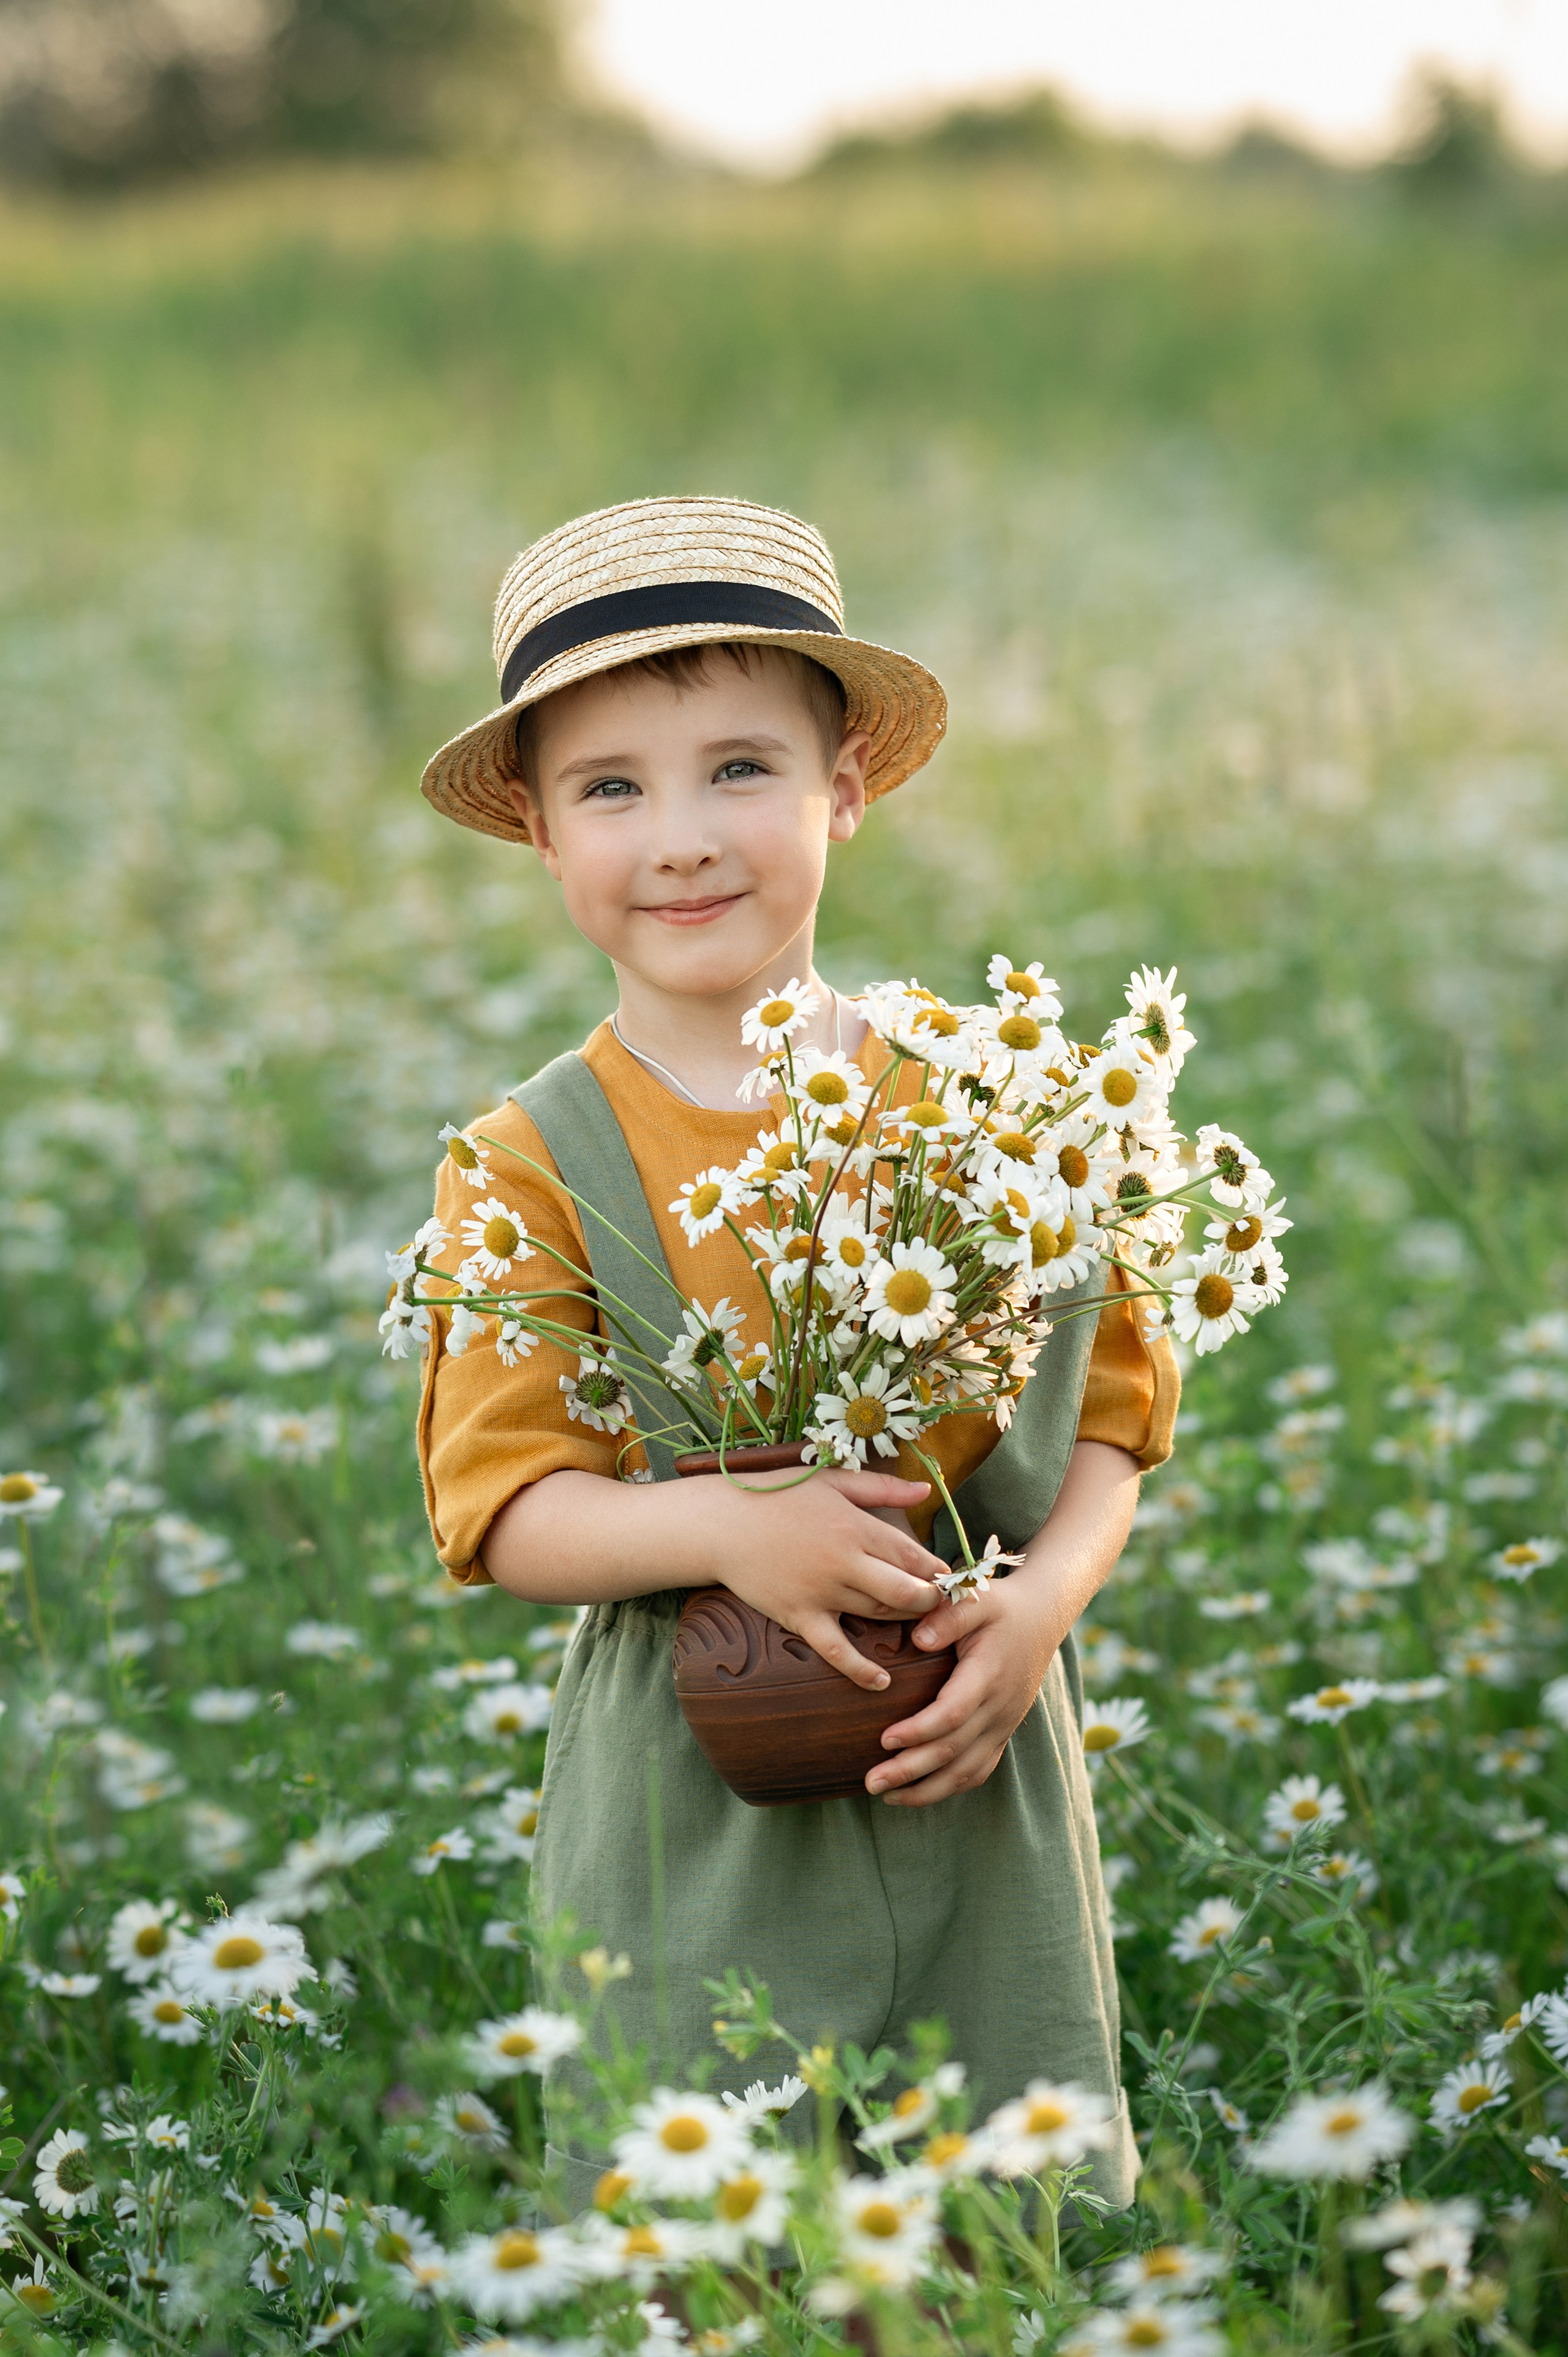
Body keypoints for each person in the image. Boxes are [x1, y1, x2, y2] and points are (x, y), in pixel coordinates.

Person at [413, 495, 1178, 2203]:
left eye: (740, 769)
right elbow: (507, 1511)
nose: (680, 836)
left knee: (1005, 2207)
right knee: (720, 2225)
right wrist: (723, 1530)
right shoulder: (525, 1162)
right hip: (687, 1785)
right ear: (542, 836)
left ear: (848, 790)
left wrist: (1044, 1604)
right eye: (612, 788)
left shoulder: (989, 1106)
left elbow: (1112, 1414)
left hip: (964, 1745)